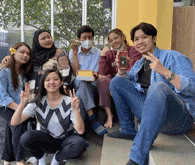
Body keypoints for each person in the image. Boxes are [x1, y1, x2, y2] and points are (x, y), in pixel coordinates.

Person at [108, 22, 195, 165]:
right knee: (116, 81)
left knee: (158, 87)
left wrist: (166, 72)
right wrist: (121, 71)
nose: (140, 42)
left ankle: (136, 158)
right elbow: (125, 85)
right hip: (152, 114)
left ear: (154, 38)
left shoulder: (173, 57)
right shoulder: (139, 64)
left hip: (179, 119)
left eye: (144, 37)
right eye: (136, 39)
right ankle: (127, 129)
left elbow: (192, 87)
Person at [11, 69, 87, 165]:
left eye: (55, 79)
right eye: (47, 80)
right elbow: (14, 122)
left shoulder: (69, 102)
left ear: (61, 83)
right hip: (48, 141)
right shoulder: (37, 102)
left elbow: (80, 131)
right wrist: (22, 103)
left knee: (80, 144)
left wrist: (76, 110)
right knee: (25, 138)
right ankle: (41, 158)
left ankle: (57, 158)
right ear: (43, 83)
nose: (51, 82)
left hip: (67, 140)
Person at [0, 42, 33, 165]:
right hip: (3, 105)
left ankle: (7, 161)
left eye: (28, 53)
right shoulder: (3, 70)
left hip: (16, 104)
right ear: (13, 52)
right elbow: (3, 97)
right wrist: (21, 110)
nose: (25, 55)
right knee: (18, 125)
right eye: (22, 52)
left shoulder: (21, 71)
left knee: (11, 128)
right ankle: (20, 161)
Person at [97, 28, 142, 128]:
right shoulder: (110, 54)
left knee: (118, 82)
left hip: (130, 82)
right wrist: (103, 55)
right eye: (111, 41)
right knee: (102, 80)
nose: (114, 42)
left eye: (116, 38)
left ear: (123, 36)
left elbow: (133, 71)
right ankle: (109, 115)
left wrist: (116, 82)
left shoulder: (133, 51)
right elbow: (103, 72)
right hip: (115, 82)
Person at [69, 25, 107, 135]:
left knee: (81, 90)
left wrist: (94, 76)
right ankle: (93, 119)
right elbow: (75, 73)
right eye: (84, 37)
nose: (87, 40)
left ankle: (78, 133)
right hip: (77, 84)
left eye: (90, 37)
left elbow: (97, 73)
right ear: (79, 39)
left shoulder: (98, 53)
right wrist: (75, 53)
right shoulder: (73, 52)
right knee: (81, 81)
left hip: (93, 86)